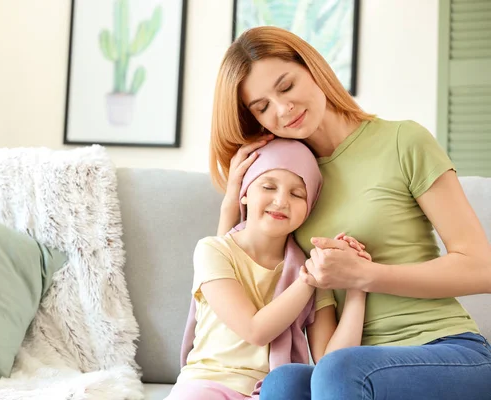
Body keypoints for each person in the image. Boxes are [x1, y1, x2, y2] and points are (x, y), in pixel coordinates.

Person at [209, 25, 491, 400]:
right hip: (347, 362)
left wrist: (367, 275)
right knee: (283, 383)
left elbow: (481, 267)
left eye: (287, 86)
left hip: (448, 349)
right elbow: (238, 269)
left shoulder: (403, 140)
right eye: (261, 107)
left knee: (340, 371)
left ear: (313, 68)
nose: (282, 109)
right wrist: (232, 202)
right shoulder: (290, 186)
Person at [168, 138, 371, 400]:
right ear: (244, 193)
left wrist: (358, 283)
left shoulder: (312, 268)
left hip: (273, 390)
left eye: (297, 194)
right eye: (268, 186)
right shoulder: (213, 251)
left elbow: (331, 363)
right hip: (206, 385)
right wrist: (306, 280)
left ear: (308, 210)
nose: (281, 200)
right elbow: (255, 331)